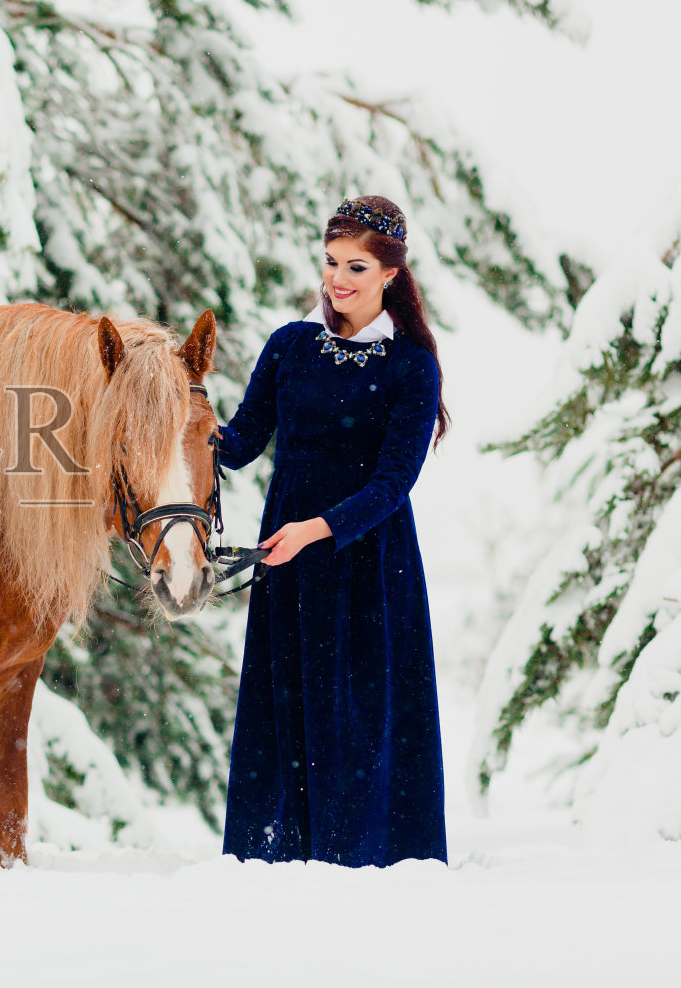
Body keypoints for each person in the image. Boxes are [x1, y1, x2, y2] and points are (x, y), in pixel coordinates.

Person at [217, 195, 447, 867]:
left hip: (367, 561)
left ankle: (360, 858)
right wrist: (184, 421)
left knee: (357, 709)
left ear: (391, 276)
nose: (336, 279)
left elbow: (392, 482)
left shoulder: (411, 366)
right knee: (284, 699)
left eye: (355, 265)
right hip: (288, 559)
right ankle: (275, 857)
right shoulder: (290, 345)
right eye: (329, 262)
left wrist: (317, 528)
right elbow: (240, 444)